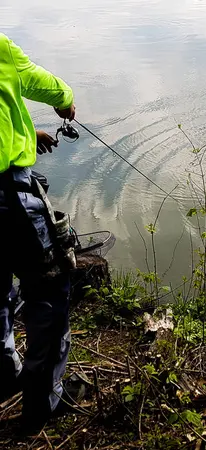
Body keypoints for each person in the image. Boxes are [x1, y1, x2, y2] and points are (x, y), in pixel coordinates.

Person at [0, 33, 77, 433]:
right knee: (48, 293)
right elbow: (46, 85)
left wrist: (30, 135)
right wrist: (65, 101)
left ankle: (3, 372)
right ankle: (43, 403)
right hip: (7, 198)